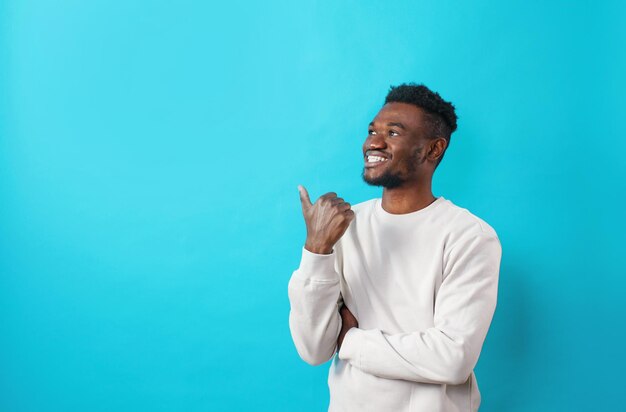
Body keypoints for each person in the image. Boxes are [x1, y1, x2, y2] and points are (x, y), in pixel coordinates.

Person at [287, 83, 502, 412]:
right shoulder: (343, 226)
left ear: (433, 150)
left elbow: (452, 358)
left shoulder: (469, 237)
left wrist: (350, 340)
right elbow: (314, 349)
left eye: (394, 132)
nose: (374, 141)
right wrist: (316, 251)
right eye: (372, 130)